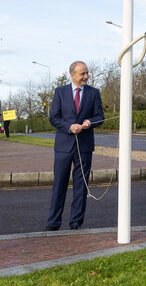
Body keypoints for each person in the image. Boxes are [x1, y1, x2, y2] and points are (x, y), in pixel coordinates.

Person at [44, 61, 104, 231]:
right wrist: (69, 127)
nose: (86, 76)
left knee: (81, 186)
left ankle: (76, 223)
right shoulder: (60, 92)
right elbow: (53, 118)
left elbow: (100, 117)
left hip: (84, 146)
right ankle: (53, 222)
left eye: (87, 73)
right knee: (59, 185)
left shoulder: (94, 93)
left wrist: (90, 122)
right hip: (63, 146)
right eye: (82, 73)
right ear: (72, 74)